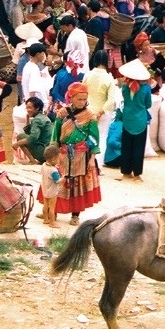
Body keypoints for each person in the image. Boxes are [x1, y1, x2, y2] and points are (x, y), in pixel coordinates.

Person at [52, 82, 101, 225]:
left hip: (81, 156)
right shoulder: (62, 113)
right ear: (71, 98)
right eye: (79, 99)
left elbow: (93, 138)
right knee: (57, 181)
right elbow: (55, 135)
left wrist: (92, 158)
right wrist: (53, 152)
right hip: (63, 154)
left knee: (77, 185)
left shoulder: (90, 116)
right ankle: (51, 211)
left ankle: (75, 215)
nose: (82, 102)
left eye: (84, 99)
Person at [115, 59, 153, 181]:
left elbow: (125, 101)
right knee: (138, 147)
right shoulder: (146, 88)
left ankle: (126, 171)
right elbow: (148, 104)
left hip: (127, 118)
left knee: (126, 145)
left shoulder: (125, 87)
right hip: (140, 119)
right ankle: (137, 173)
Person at [14, 96, 53, 164]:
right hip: (48, 151)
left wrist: (17, 143)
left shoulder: (37, 119)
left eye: (30, 108)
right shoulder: (42, 117)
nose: (28, 110)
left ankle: (32, 160)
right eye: (27, 108)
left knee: (20, 137)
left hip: (43, 151)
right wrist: (27, 118)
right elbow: (29, 133)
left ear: (37, 108)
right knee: (24, 137)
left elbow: (33, 137)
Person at [40, 143, 62, 227]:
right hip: (52, 191)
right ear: (53, 159)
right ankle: (52, 222)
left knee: (45, 205)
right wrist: (63, 178)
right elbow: (57, 181)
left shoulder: (43, 165)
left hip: (45, 189)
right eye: (58, 159)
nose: (58, 161)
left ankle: (45, 219)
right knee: (52, 207)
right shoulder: (53, 170)